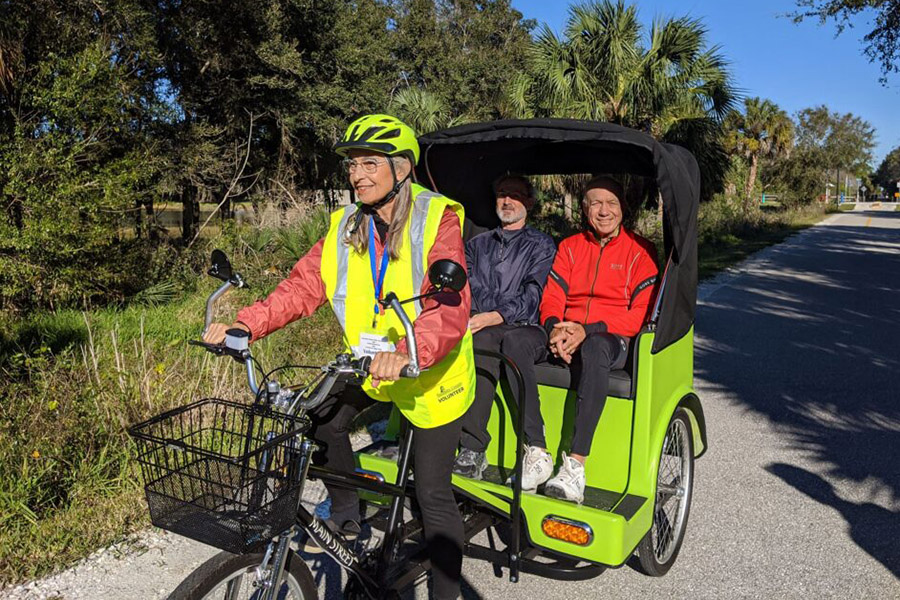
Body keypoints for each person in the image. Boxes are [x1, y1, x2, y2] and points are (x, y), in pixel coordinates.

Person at [203, 114, 474, 600]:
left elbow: (448, 304)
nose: (358, 175)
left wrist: (410, 349)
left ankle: (446, 592)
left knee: (431, 494)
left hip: (431, 371)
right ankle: (347, 518)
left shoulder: (437, 218)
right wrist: (247, 324)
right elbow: (303, 286)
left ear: (401, 168)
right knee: (320, 419)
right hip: (369, 364)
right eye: (352, 165)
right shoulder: (347, 225)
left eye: (371, 163)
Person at [501, 176, 658, 504]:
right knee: (514, 341)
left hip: (611, 338)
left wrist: (588, 329)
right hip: (565, 329)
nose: (603, 211)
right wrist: (556, 327)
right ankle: (538, 452)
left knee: (595, 345)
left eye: (611, 203)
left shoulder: (641, 252)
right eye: (595, 203)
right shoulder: (571, 247)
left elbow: (638, 316)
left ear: (622, 209)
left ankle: (575, 466)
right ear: (585, 209)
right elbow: (553, 295)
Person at [452, 174, 556, 479]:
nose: (507, 201)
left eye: (515, 195)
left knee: (500, 339)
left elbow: (533, 295)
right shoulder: (478, 244)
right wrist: (477, 316)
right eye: (501, 194)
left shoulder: (541, 244)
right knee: (481, 340)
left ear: (530, 203)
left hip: (527, 326)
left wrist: (494, 315)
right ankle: (471, 448)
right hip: (484, 325)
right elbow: (465, 287)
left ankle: (536, 447)